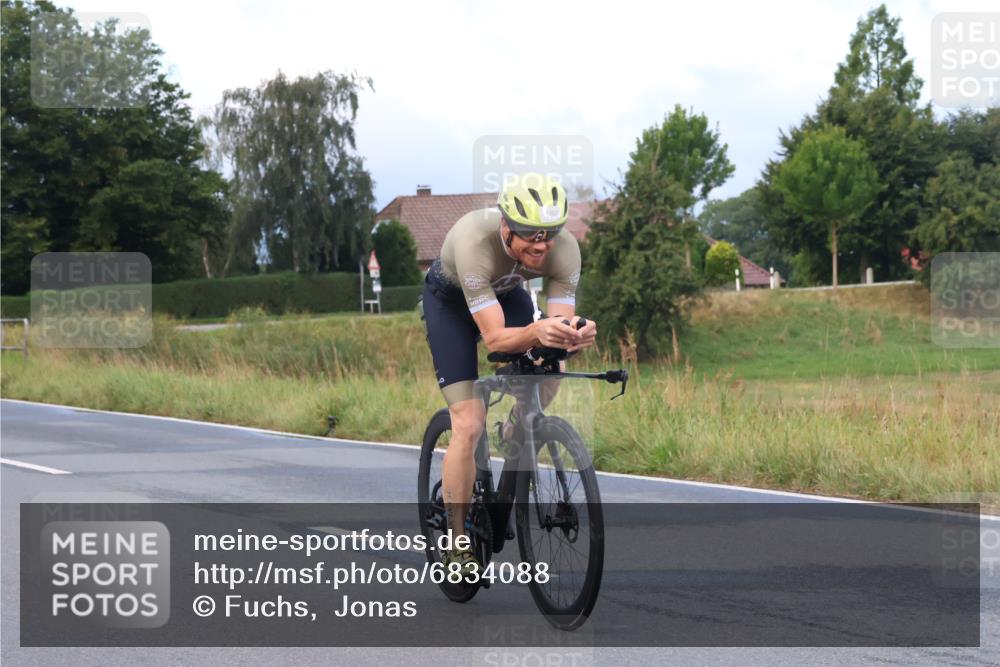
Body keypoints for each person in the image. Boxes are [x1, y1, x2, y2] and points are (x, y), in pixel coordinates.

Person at [421, 172, 598, 577]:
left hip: (504, 294)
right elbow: (496, 341)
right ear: (505, 225)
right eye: (529, 235)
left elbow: (558, 324)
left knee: (553, 366)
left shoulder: (566, 250)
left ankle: (517, 429)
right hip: (450, 306)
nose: (541, 245)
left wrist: (575, 332)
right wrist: (536, 330)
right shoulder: (472, 242)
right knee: (468, 422)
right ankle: (457, 544)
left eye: (548, 234)